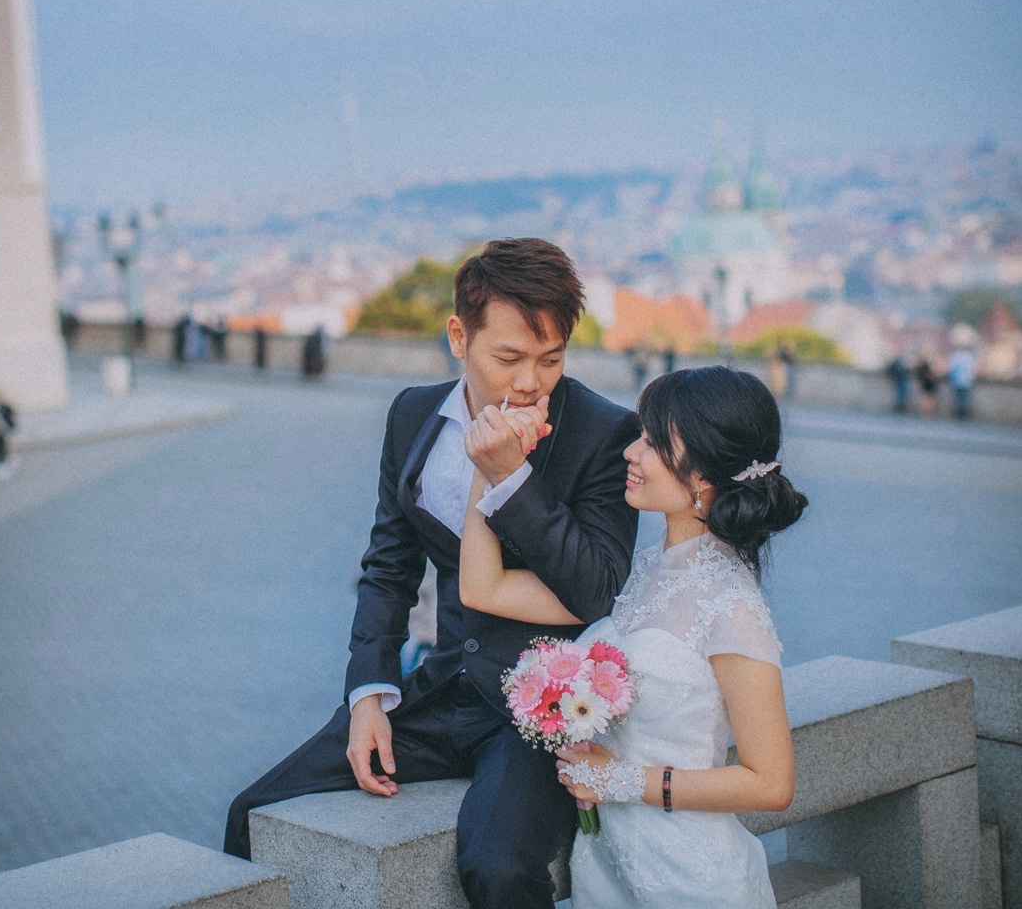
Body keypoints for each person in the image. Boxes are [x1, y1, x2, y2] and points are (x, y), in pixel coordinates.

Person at [225, 238, 640, 907]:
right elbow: (388, 570)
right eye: (508, 357)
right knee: (249, 813)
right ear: (459, 337)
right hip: (440, 688)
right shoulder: (413, 415)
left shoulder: (604, 431)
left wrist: (512, 477)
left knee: (498, 870)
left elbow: (595, 587)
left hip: (537, 712)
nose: (531, 381)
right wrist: (368, 694)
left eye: (550, 359)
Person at [459, 366, 806, 906]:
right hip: (608, 869)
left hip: (688, 881)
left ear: (702, 477)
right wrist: (495, 467)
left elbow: (770, 783)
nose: (630, 452)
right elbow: (482, 589)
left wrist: (618, 781)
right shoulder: (646, 570)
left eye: (653, 442)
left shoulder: (731, 606)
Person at [0, 389, 18, 481]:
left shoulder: (5, 407)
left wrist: (9, 425)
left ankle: (8, 461)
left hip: (5, 430)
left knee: (6, 446)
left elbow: (11, 416)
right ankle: (0, 463)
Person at [948, 347, 976, 421]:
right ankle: (963, 413)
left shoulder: (955, 359)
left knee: (959, 398)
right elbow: (971, 372)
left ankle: (960, 412)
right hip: (965, 383)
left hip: (957, 382)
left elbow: (952, 371)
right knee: (964, 398)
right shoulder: (968, 359)